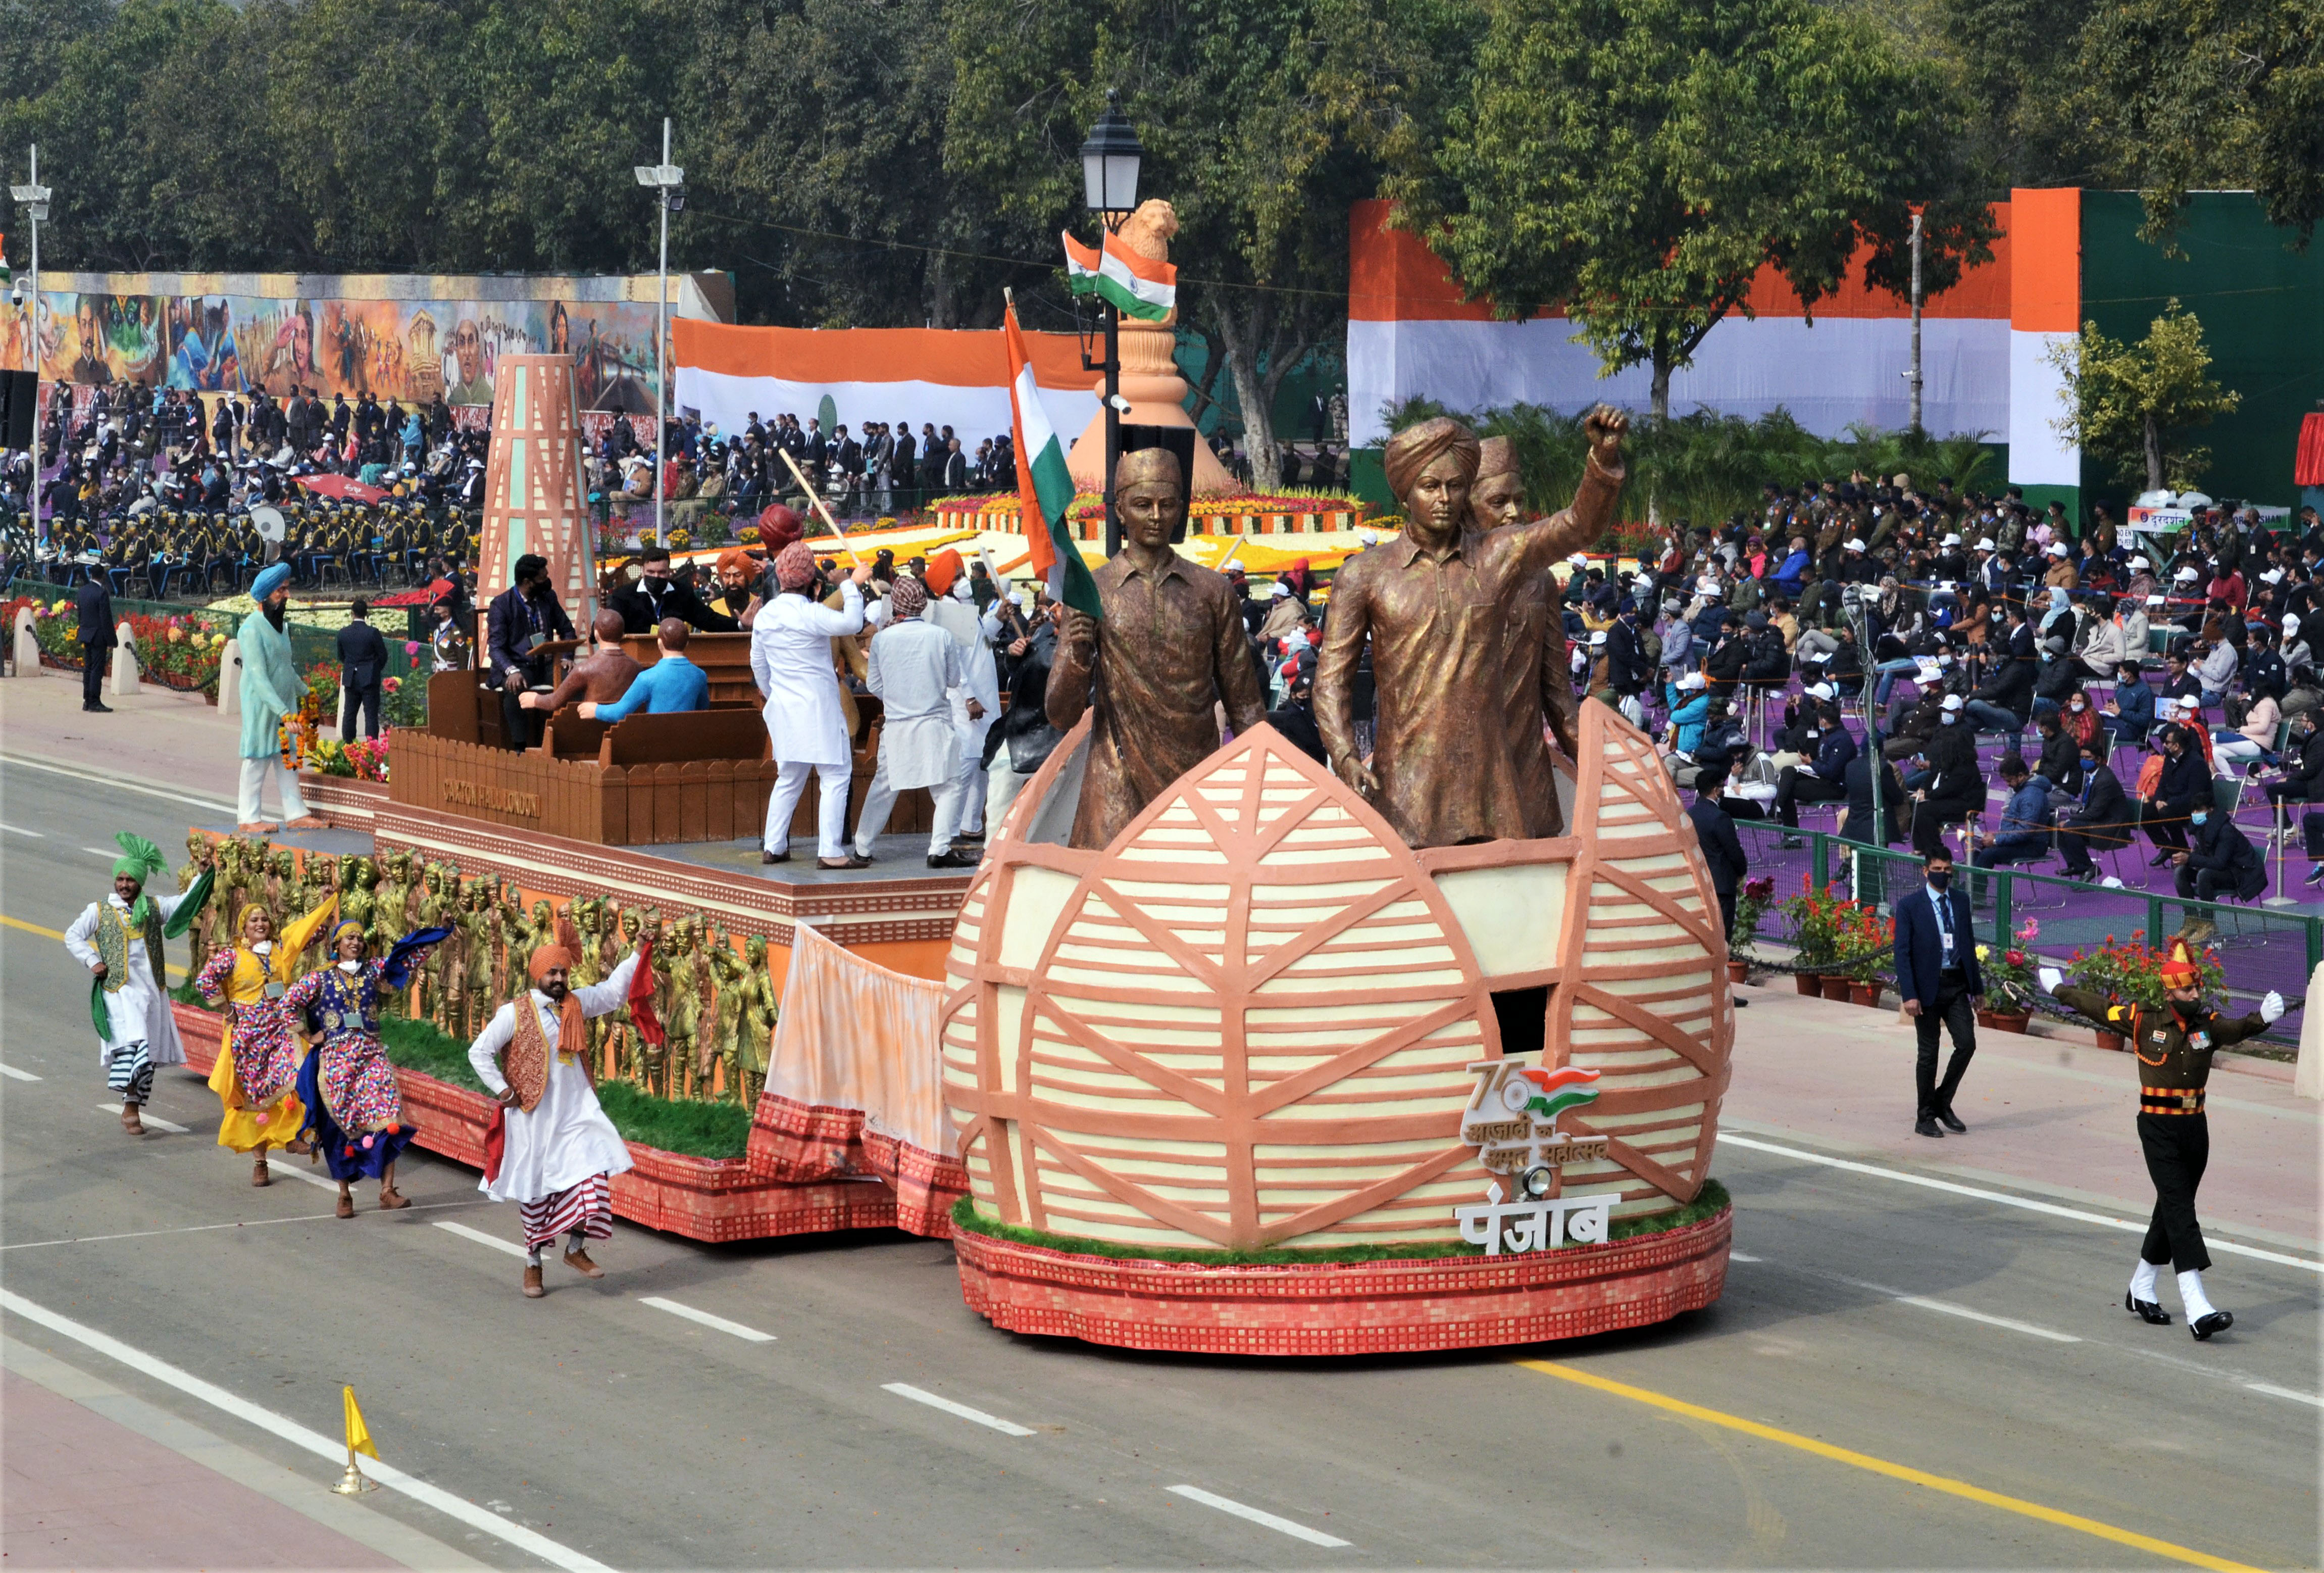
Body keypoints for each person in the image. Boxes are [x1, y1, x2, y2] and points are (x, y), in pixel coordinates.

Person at [1317, 411, 1627, 848]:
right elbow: (1332, 682)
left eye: (1455, 486)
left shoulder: (1497, 556)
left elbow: (1577, 526)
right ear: (1405, 495)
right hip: (1406, 789)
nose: (1444, 498)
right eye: (1430, 487)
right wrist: (1345, 755)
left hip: (1492, 787)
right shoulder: (1365, 575)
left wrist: (1602, 461)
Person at [2040, 943, 2283, 1338]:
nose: (2196, 994)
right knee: (2180, 1210)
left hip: (2195, 1127)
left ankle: (2141, 1288)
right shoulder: (2143, 1019)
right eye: (2188, 989)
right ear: (2170, 992)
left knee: (2171, 1209)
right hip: (2157, 1126)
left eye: (2197, 988)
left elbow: (2237, 1030)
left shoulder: (2207, 1024)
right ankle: (2197, 1308)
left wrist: (2263, 1019)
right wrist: (2058, 989)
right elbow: (2100, 1009)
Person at [1045, 449, 1268, 849]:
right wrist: (1079, 655)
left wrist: (1260, 784)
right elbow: (1060, 715)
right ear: (1120, 510)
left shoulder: (1212, 592)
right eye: (1142, 505)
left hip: (1196, 779)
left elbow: (1246, 704)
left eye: (1167, 505)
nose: (1156, 516)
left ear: (1180, 509)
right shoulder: (1093, 592)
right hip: (1117, 779)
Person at [468, 938, 644, 1298]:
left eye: (564, 972)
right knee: (536, 1192)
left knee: (593, 1175)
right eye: (553, 972)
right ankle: (533, 1263)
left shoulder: (576, 1004)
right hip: (533, 1117)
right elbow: (479, 1052)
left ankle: (575, 1248)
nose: (560, 978)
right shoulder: (514, 1013)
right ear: (538, 974)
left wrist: (638, 953)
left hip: (577, 1112)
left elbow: (613, 993)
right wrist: (503, 1090)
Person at [284, 918, 442, 1218]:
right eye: (349, 938)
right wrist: (308, 1035)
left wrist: (437, 934)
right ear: (337, 944)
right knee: (338, 1129)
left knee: (389, 1119)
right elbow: (287, 1005)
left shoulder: (373, 970)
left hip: (371, 1057)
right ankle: (344, 1194)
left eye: (359, 938)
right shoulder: (319, 978)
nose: (355, 943)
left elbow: (406, 960)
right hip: (337, 1062)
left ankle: (387, 1190)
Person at [64, 834, 213, 1136]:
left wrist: (202, 875)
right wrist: (93, 961)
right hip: (119, 992)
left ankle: (132, 1103)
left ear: (140, 882)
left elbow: (186, 903)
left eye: (130, 880)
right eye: (120, 879)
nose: (124, 885)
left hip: (151, 991)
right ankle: (130, 1106)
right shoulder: (99, 910)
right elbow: (73, 936)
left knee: (146, 1055)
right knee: (135, 1043)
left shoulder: (154, 907)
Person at [195, 887, 338, 1186]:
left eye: (264, 920)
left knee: (297, 1078)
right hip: (247, 1040)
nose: (260, 924)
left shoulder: (279, 949)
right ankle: (260, 1162)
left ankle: (293, 1136)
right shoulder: (232, 956)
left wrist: (326, 905)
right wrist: (226, 1009)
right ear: (244, 928)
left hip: (281, 1031)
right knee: (255, 1100)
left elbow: (311, 933)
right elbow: (204, 980)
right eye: (254, 920)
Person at [750, 540, 872, 867]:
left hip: (784, 708)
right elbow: (852, 623)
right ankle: (830, 852)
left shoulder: (765, 617)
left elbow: (758, 664)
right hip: (819, 708)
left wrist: (773, 695)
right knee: (836, 775)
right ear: (812, 583)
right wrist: (849, 584)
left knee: (789, 778)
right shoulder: (812, 613)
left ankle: (774, 846)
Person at [850, 575, 976, 868]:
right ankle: (939, 849)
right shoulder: (941, 636)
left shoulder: (882, 639)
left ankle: (863, 848)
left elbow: (874, 685)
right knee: (949, 786)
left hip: (897, 725)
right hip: (935, 723)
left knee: (885, 786)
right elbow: (953, 680)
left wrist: (897, 699)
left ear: (896, 605)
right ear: (923, 603)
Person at [1892, 847, 1981, 1139]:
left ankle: (1942, 1101)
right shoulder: (1910, 906)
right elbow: (1902, 952)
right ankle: (1925, 1117)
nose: (1943, 874)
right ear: (1926, 871)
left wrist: (1977, 988)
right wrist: (1909, 994)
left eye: (1948, 870)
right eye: (1937, 869)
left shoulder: (1961, 901)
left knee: (1966, 1044)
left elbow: (1968, 944)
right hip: (1926, 988)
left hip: (1956, 985)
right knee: (1929, 1054)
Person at [237, 563, 326, 832]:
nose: (287, 595)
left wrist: (306, 692)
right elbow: (258, 677)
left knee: (288, 759)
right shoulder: (250, 630)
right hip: (262, 707)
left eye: (287, 589)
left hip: (286, 705)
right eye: (280, 591)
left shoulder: (282, 627)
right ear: (264, 597)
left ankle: (296, 813)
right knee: (257, 760)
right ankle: (248, 818)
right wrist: (283, 713)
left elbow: (286, 668)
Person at [486, 553, 578, 752]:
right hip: (520, 665)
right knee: (515, 688)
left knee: (575, 682)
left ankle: (569, 741)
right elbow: (495, 648)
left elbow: (567, 630)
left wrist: (566, 657)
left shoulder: (548, 597)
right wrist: (511, 670)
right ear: (528, 582)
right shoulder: (501, 605)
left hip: (548, 663)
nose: (547, 581)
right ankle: (520, 747)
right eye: (543, 578)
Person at [520, 609, 644, 717]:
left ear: (596, 634)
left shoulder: (584, 669)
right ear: (622, 635)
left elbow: (554, 702)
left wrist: (535, 699)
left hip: (591, 729)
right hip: (623, 729)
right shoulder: (637, 667)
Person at [579, 618, 708, 720]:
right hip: (687, 740)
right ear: (687, 644)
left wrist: (597, 710)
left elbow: (620, 712)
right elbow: (703, 710)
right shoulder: (700, 676)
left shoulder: (647, 678)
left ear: (660, 643)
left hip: (655, 740)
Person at [1970, 755, 2054, 898]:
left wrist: (1996, 840)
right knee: (1978, 849)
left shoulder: (2032, 795)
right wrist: (1997, 837)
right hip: (2022, 841)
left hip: (2032, 845)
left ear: (2021, 776)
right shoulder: (2025, 790)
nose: (2007, 784)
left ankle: (1977, 896)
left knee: (1987, 854)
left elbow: (2025, 831)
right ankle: (1972, 889)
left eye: (2009, 780)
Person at [607, 544, 739, 634]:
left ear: (669, 572)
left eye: (661, 573)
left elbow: (709, 620)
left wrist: (741, 624)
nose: (656, 577)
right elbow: (609, 626)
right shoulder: (624, 596)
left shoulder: (682, 593)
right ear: (643, 571)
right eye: (651, 572)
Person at [1687, 774, 1750, 954]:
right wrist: (1741, 872)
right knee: (1722, 937)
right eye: (1722, 787)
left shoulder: (1689, 814)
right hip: (1721, 885)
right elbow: (1734, 850)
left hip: (1697, 882)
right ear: (1715, 791)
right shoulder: (1720, 817)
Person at [1772, 706, 1854, 844]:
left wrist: (1812, 763)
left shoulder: (1842, 740)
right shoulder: (1828, 735)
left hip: (1835, 787)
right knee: (1788, 771)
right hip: (1821, 778)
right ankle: (1778, 810)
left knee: (1788, 788)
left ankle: (1790, 833)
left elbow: (1831, 772)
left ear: (1824, 721)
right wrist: (1810, 762)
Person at [2057, 736, 2131, 879]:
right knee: (2058, 827)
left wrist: (2071, 819)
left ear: (2098, 760)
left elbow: (2095, 812)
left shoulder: (2105, 781)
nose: (2084, 761)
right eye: (2082, 757)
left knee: (2069, 828)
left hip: (2111, 826)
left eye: (2088, 758)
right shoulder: (2092, 776)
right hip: (2099, 820)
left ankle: (2088, 868)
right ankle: (2075, 865)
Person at [2174, 797, 2266, 905]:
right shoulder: (2200, 828)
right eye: (2193, 811)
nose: (2195, 814)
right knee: (2180, 872)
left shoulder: (2226, 831)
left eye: (2199, 810)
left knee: (2204, 875)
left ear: (2211, 810)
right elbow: (2201, 855)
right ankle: (2191, 914)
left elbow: (2219, 863)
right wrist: (2185, 859)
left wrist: (2190, 859)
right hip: (2217, 872)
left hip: (2237, 874)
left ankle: (2207, 915)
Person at [335, 597, 388, 741]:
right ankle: (372, 746)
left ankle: (348, 745)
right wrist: (374, 669)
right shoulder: (373, 633)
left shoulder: (343, 632)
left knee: (349, 714)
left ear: (352, 613)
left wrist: (351, 666)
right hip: (369, 677)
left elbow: (341, 656)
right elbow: (383, 655)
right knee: (371, 715)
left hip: (350, 677)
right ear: (366, 613)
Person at [75, 570, 116, 713]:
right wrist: (112, 640)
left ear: (91, 575)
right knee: (96, 670)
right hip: (98, 636)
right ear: (103, 576)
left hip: (86, 634)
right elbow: (106, 618)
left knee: (88, 668)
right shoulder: (102, 593)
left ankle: (87, 700)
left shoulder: (83, 591)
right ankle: (94, 701)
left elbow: (80, 614)